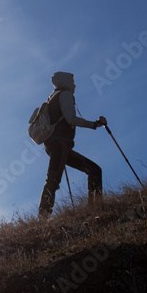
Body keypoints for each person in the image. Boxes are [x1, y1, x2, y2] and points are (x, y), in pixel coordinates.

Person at [38, 71, 107, 219]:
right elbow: (71, 119)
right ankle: (43, 218)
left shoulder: (52, 97)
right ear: (66, 82)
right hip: (60, 144)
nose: (74, 85)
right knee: (54, 179)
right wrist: (95, 124)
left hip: (54, 145)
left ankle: (43, 217)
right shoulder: (65, 94)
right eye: (72, 81)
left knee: (92, 170)